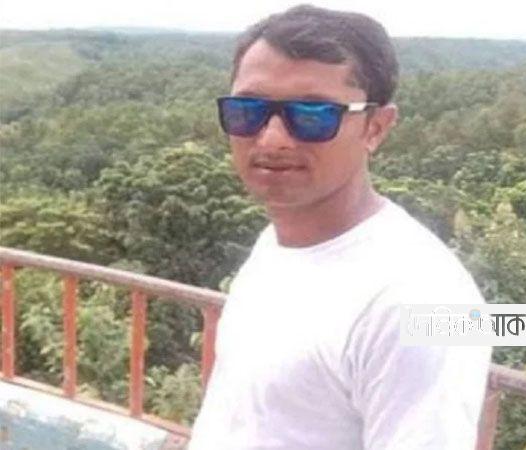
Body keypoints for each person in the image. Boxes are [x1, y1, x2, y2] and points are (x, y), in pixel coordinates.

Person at [189, 4, 492, 449]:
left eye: (313, 115)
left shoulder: (422, 299)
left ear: (376, 128)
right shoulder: (278, 242)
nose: (271, 138)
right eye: (247, 111)